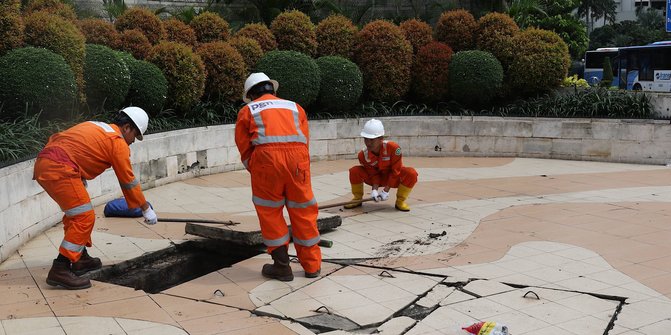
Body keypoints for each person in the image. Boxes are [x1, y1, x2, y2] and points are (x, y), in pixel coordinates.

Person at [33, 107, 158, 290]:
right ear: (127, 127)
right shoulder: (118, 141)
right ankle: (61, 267)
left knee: (75, 214)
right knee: (84, 217)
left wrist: (78, 173)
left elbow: (68, 142)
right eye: (135, 136)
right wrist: (145, 208)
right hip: (61, 168)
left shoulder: (98, 126)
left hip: (47, 163)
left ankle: (80, 258)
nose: (133, 142)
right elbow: (128, 180)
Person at [235, 72, 321, 282]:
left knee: (270, 213)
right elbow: (304, 141)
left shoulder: (247, 111)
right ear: (272, 89)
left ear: (252, 94)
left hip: (266, 162)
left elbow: (244, 147)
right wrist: (299, 166)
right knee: (303, 211)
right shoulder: (295, 107)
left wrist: (257, 169)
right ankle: (312, 266)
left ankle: (282, 266)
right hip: (297, 162)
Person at [344, 119, 418, 211]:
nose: (368, 143)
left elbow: (396, 171)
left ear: (381, 139)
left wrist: (385, 191)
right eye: (365, 139)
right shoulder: (363, 155)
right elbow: (373, 174)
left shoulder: (393, 148)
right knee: (354, 171)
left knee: (411, 173)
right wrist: (374, 190)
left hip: (394, 178)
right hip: (377, 179)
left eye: (371, 140)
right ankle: (357, 199)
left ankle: (400, 201)